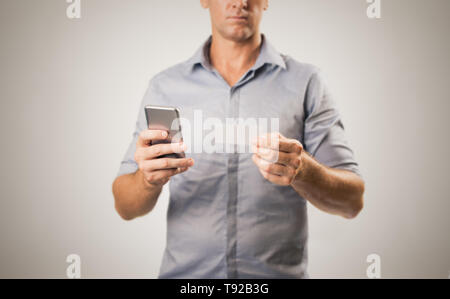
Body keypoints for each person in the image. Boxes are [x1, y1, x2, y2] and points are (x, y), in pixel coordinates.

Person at [112, 0, 365, 278]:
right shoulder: (166, 87)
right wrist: (147, 180)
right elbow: (125, 206)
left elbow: (352, 200)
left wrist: (303, 170)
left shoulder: (306, 83)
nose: (240, 2)